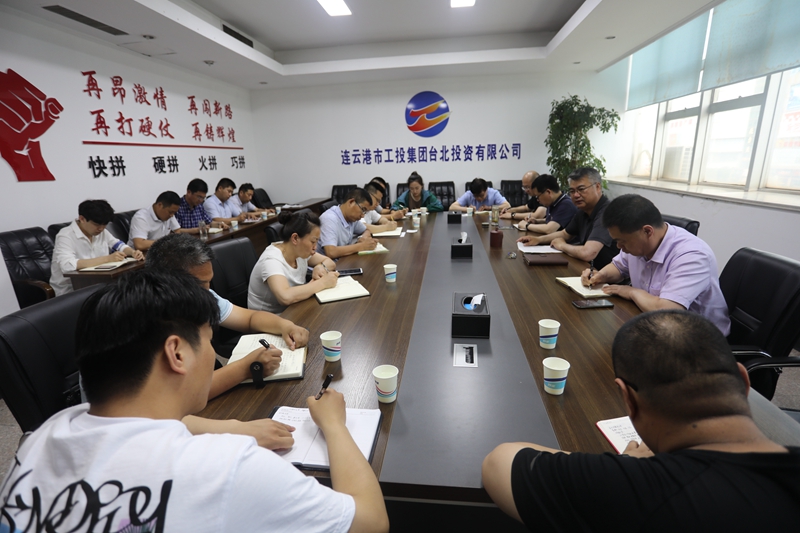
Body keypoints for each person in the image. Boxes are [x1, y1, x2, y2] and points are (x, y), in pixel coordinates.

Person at [0, 269, 389, 532]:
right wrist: (334, 426)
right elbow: (371, 522)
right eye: (208, 339)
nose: (213, 353)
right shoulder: (226, 468)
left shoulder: (41, 438)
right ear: (177, 353)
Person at [482, 309, 800, 531]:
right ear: (743, 381)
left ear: (628, 400)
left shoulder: (638, 490)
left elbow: (499, 462)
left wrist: (627, 466)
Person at [146, 234, 308, 399]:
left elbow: (249, 318)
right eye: (199, 284)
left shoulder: (204, 294)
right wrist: (245, 368)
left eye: (209, 282)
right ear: (166, 282)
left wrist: (285, 326)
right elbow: (181, 394)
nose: (207, 291)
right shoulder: (149, 321)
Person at [581, 194, 730, 335]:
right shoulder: (638, 244)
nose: (619, 246)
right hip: (652, 324)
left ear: (647, 231)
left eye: (622, 241)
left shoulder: (692, 255)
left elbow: (667, 312)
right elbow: (619, 267)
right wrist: (600, 275)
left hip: (696, 338)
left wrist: (632, 292)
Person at [516, 167, 618, 268]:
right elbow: (565, 234)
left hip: (606, 274)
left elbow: (588, 253)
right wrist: (538, 240)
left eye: (581, 189)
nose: (576, 195)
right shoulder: (583, 210)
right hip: (588, 269)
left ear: (598, 187)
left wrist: (562, 245)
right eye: (572, 191)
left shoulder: (607, 212)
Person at [249, 211, 339, 313]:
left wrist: (320, 267)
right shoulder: (271, 260)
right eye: (313, 242)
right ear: (295, 238)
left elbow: (329, 262)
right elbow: (285, 297)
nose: (315, 247)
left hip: (294, 308)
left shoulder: (298, 250)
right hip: (269, 317)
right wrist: (322, 283)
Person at [50, 199, 143, 296]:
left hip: (99, 283)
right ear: (82, 219)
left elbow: (118, 245)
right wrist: (107, 259)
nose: (101, 229)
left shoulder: (101, 232)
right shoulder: (65, 235)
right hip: (72, 290)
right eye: (97, 225)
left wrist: (132, 252)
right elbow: (67, 265)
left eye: (105, 225)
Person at [317, 187, 378, 258]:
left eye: (365, 212)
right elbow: (331, 252)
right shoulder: (329, 219)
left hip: (343, 260)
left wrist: (364, 237)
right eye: (363, 209)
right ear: (351, 202)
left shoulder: (351, 218)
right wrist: (361, 246)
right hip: (327, 263)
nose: (362, 216)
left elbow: (366, 230)